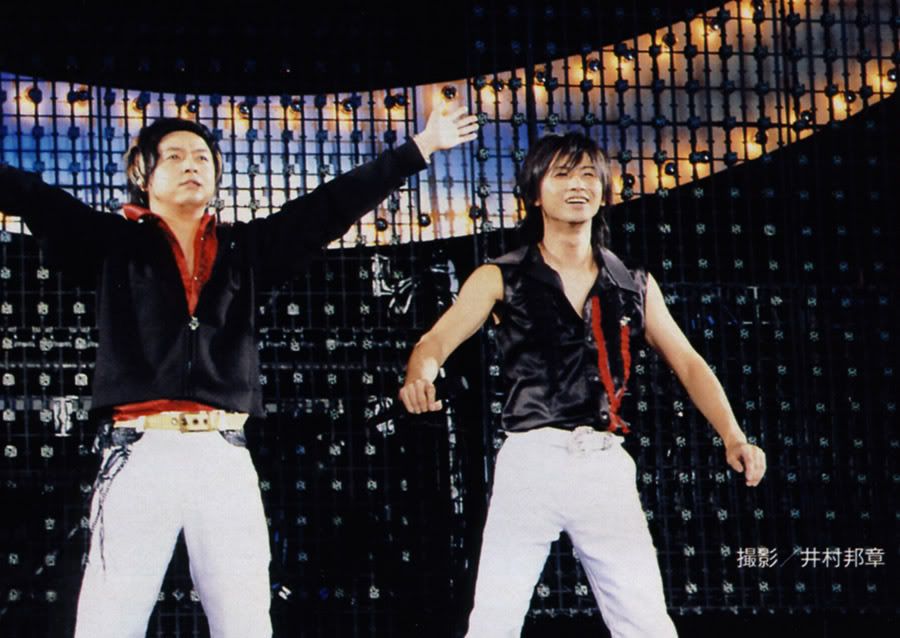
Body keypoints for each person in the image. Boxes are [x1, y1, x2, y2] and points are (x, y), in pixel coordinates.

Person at [0, 97, 477, 638]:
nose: (191, 165)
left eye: (202, 158)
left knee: (244, 619)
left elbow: (329, 207)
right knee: (110, 619)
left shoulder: (244, 249)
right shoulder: (114, 244)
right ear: (143, 175)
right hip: (139, 450)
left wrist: (420, 147)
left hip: (221, 452)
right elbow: (33, 197)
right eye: (174, 156)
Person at [399, 131, 767, 637]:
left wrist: (733, 435)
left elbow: (688, 362)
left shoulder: (633, 283)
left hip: (603, 463)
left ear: (603, 190)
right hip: (531, 460)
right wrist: (421, 373)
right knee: (493, 622)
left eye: (589, 175)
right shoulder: (499, 276)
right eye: (563, 174)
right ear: (534, 193)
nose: (578, 185)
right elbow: (436, 341)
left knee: (646, 623)